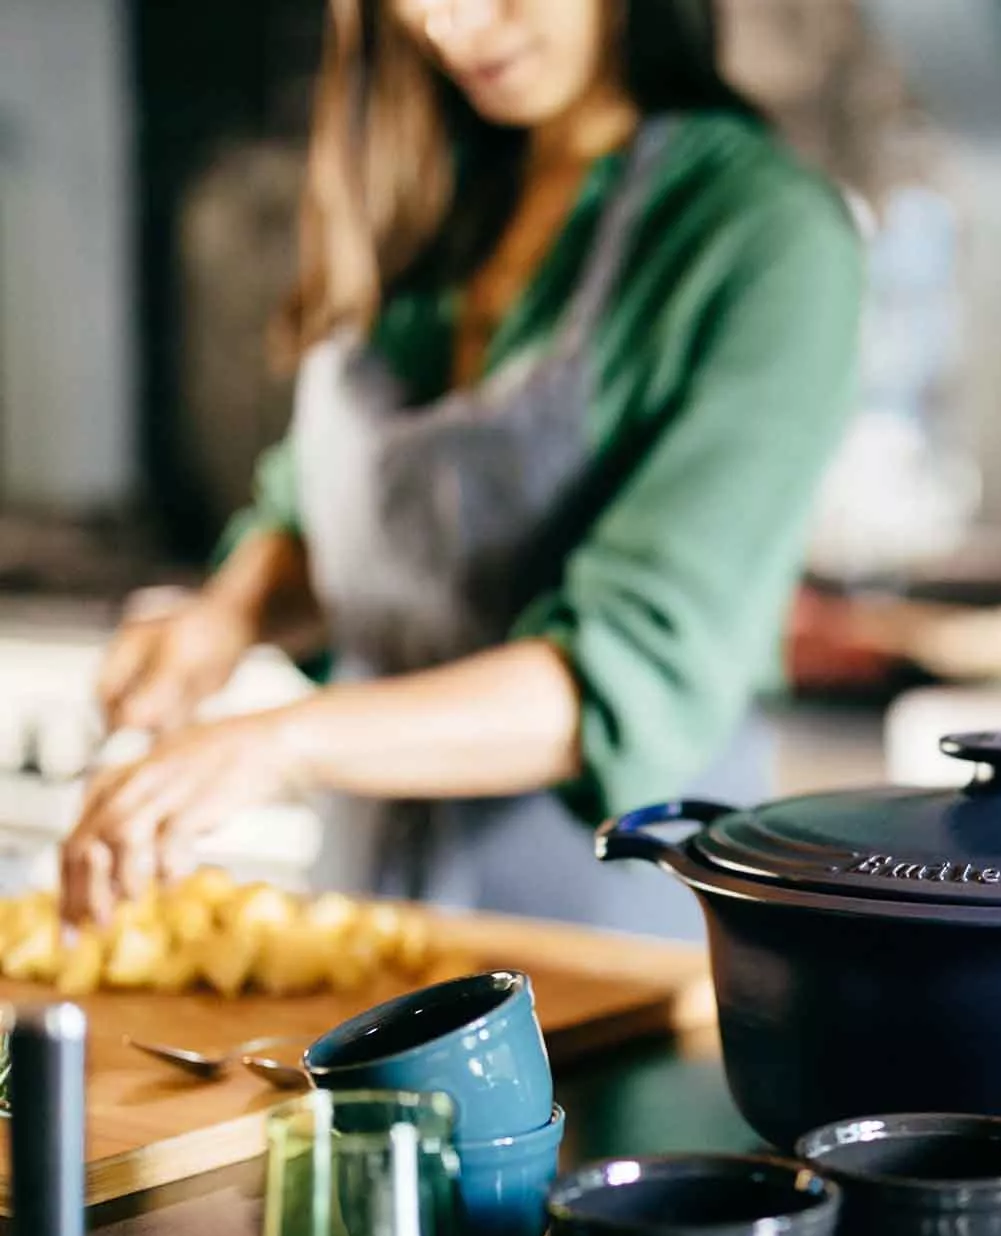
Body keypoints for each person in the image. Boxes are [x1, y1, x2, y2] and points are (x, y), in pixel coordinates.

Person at [60, 0, 863, 938]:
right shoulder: (422, 189)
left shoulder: (765, 235)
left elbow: (622, 677)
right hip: (368, 915)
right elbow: (332, 520)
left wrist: (278, 744)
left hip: (612, 936)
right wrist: (227, 614)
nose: (460, 22)